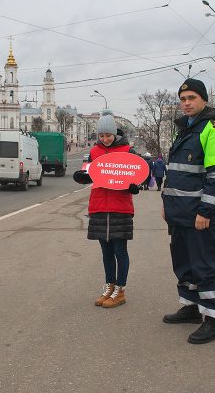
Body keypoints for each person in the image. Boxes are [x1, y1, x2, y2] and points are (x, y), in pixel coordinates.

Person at [161, 79, 215, 344]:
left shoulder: (214, 130)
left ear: (203, 99)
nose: (186, 103)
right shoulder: (186, 129)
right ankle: (191, 308)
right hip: (179, 213)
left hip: (200, 215)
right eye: (183, 98)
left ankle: (213, 320)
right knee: (185, 263)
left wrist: (206, 211)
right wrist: (166, 204)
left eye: (191, 97)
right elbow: (176, 174)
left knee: (205, 265)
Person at [73, 109, 139, 308]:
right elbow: (88, 172)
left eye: (108, 135)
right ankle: (109, 286)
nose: (105, 139)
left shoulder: (128, 151)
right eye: (101, 136)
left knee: (120, 251)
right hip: (100, 206)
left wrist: (134, 185)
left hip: (120, 207)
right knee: (106, 252)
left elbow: (138, 175)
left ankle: (120, 290)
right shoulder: (94, 151)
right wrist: (82, 176)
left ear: (115, 133)